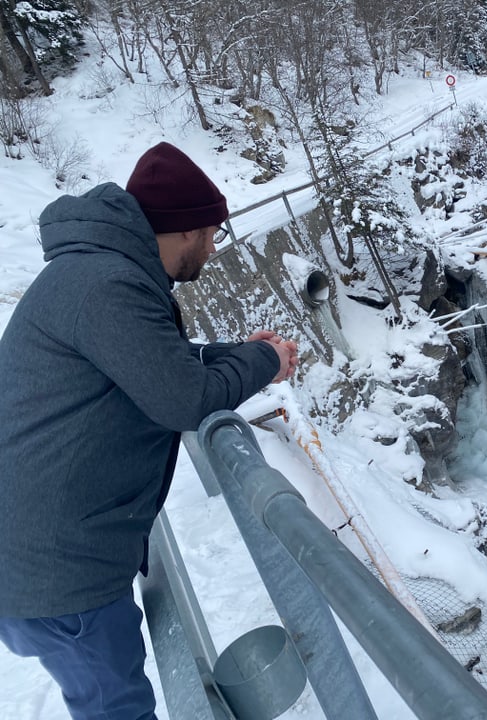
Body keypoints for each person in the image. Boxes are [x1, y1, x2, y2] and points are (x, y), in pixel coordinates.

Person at [0, 141, 299, 719]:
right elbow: (183, 399)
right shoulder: (110, 285)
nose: (214, 246)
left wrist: (233, 353)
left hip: (39, 560)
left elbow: (148, 361)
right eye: (212, 232)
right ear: (184, 230)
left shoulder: (92, 270)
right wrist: (265, 363)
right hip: (62, 576)